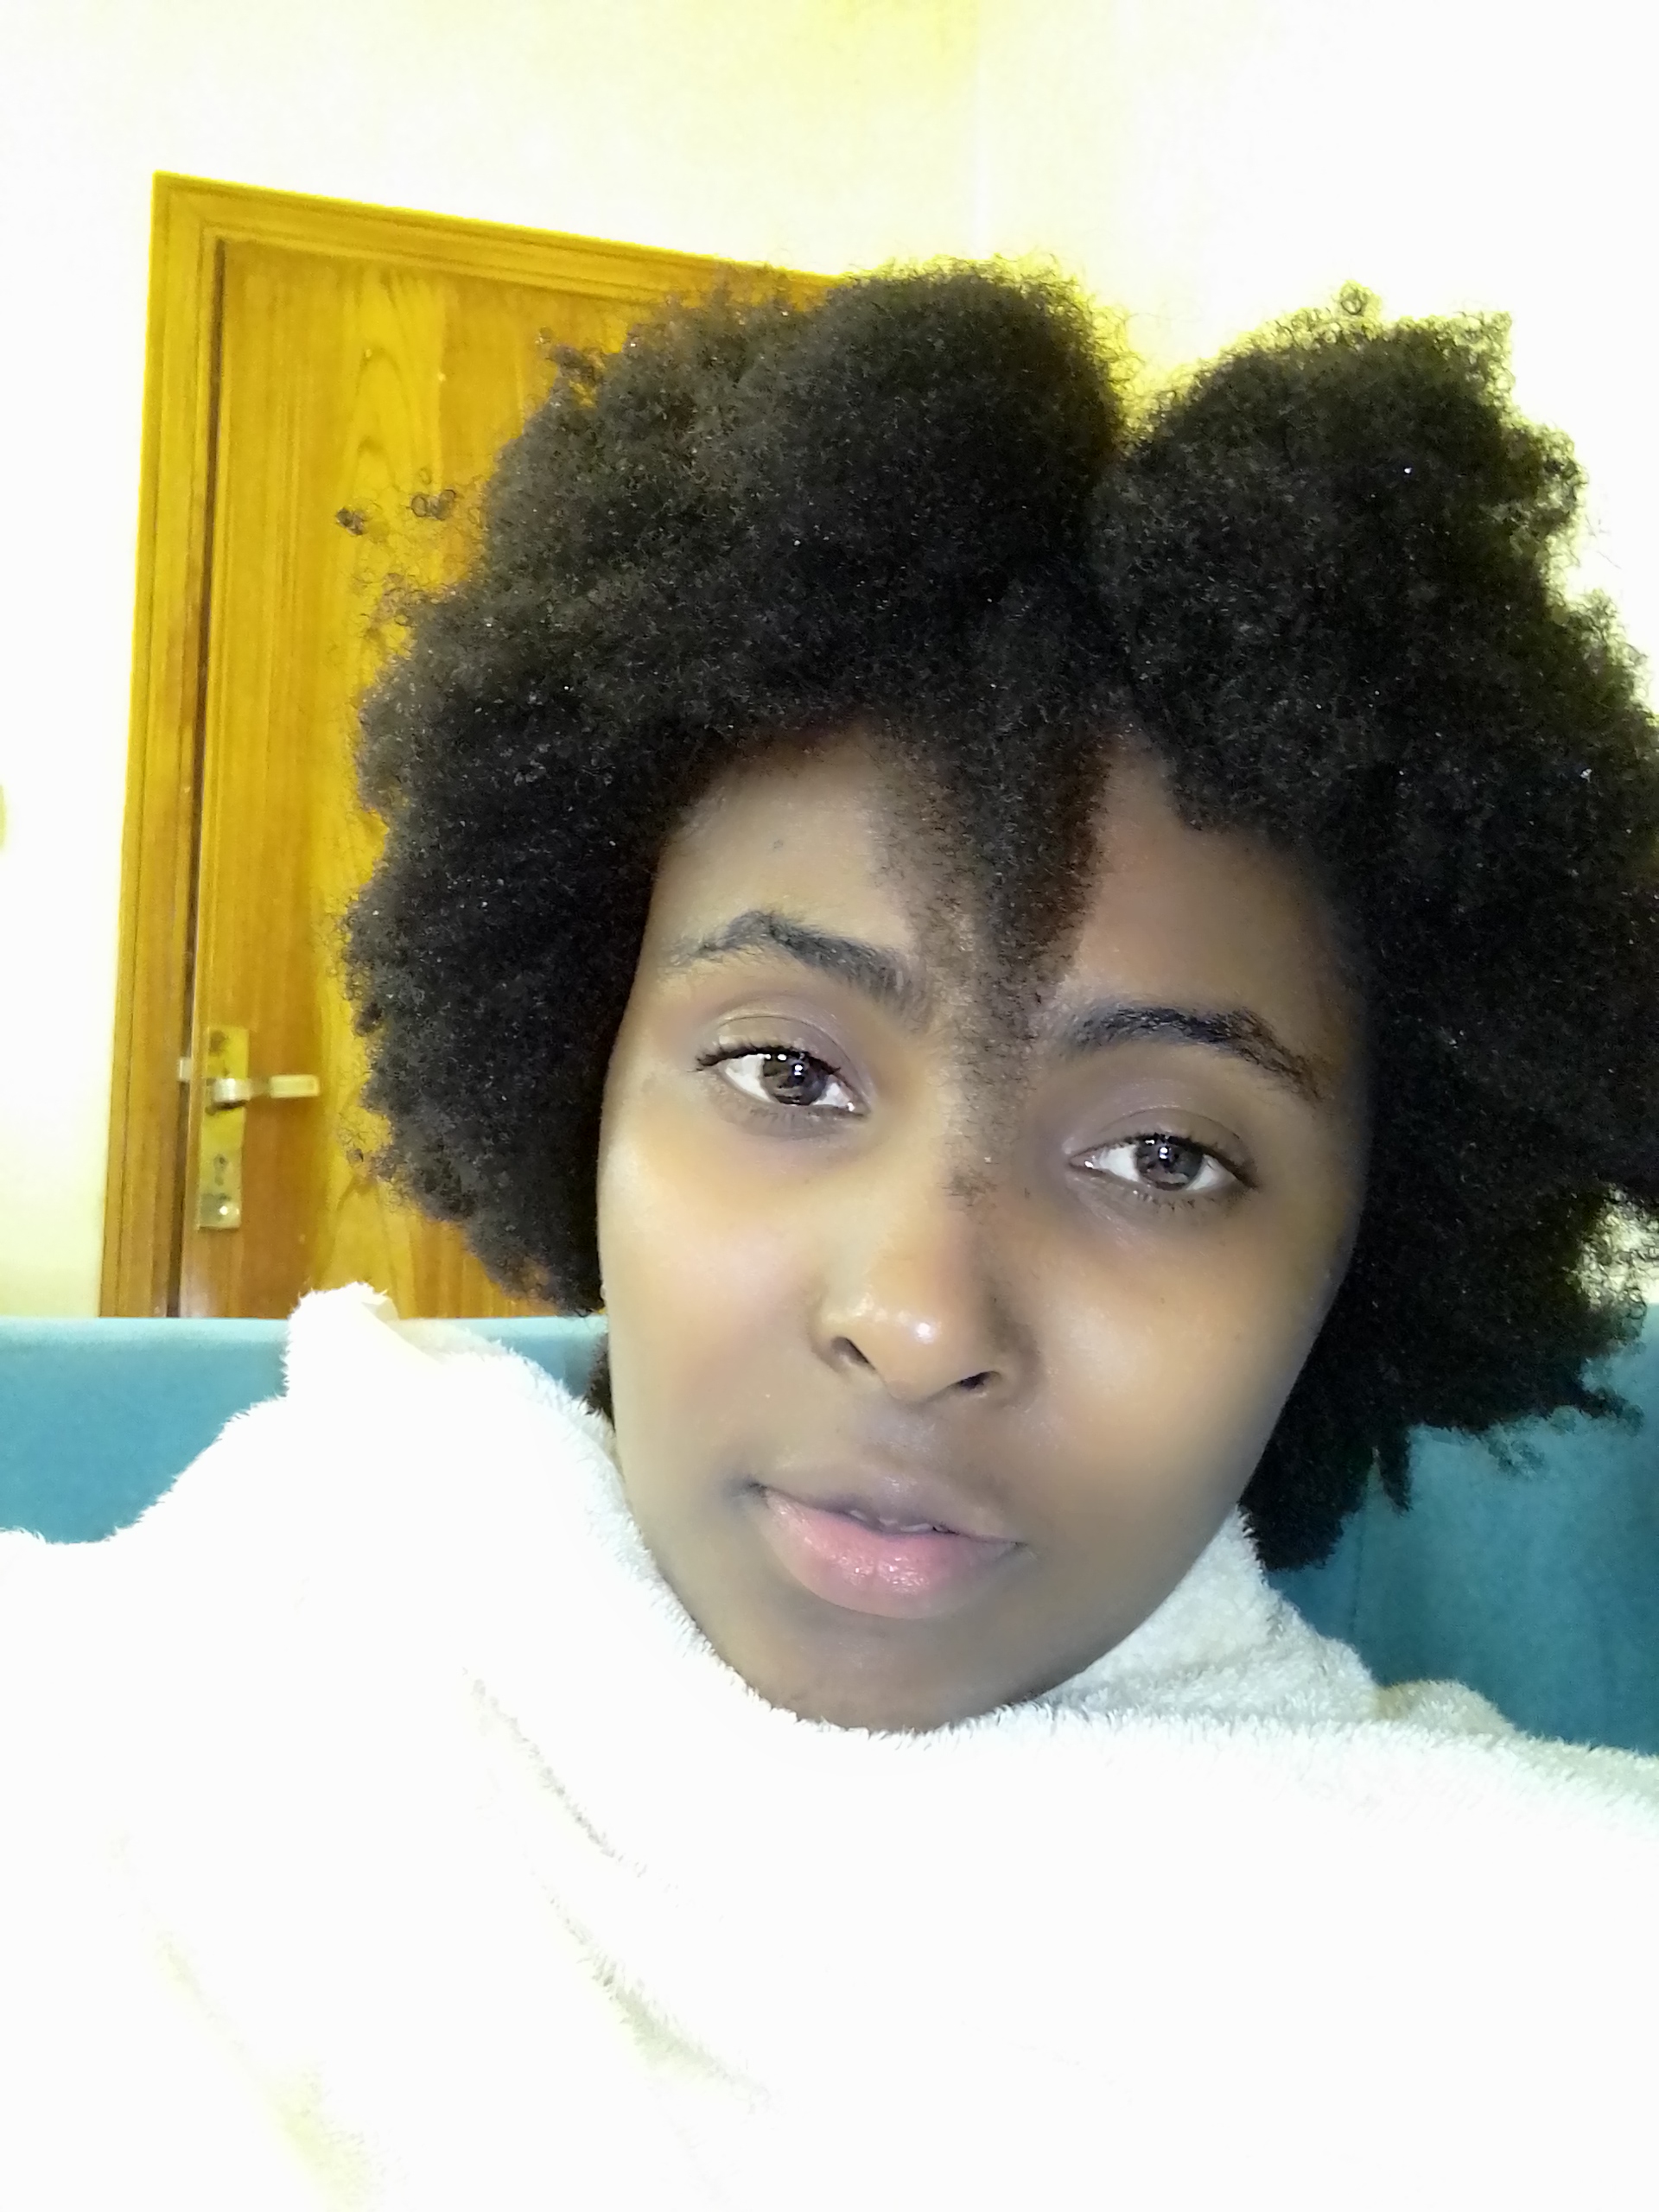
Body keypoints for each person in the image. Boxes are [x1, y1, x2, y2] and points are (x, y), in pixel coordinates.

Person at [3, 265, 1657, 2208]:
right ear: (582, 1061)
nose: (918, 1316)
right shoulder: (161, 1690)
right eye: (788, 1071)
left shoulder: (1539, 1973)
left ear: (1373, 1240)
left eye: (1164, 1157)